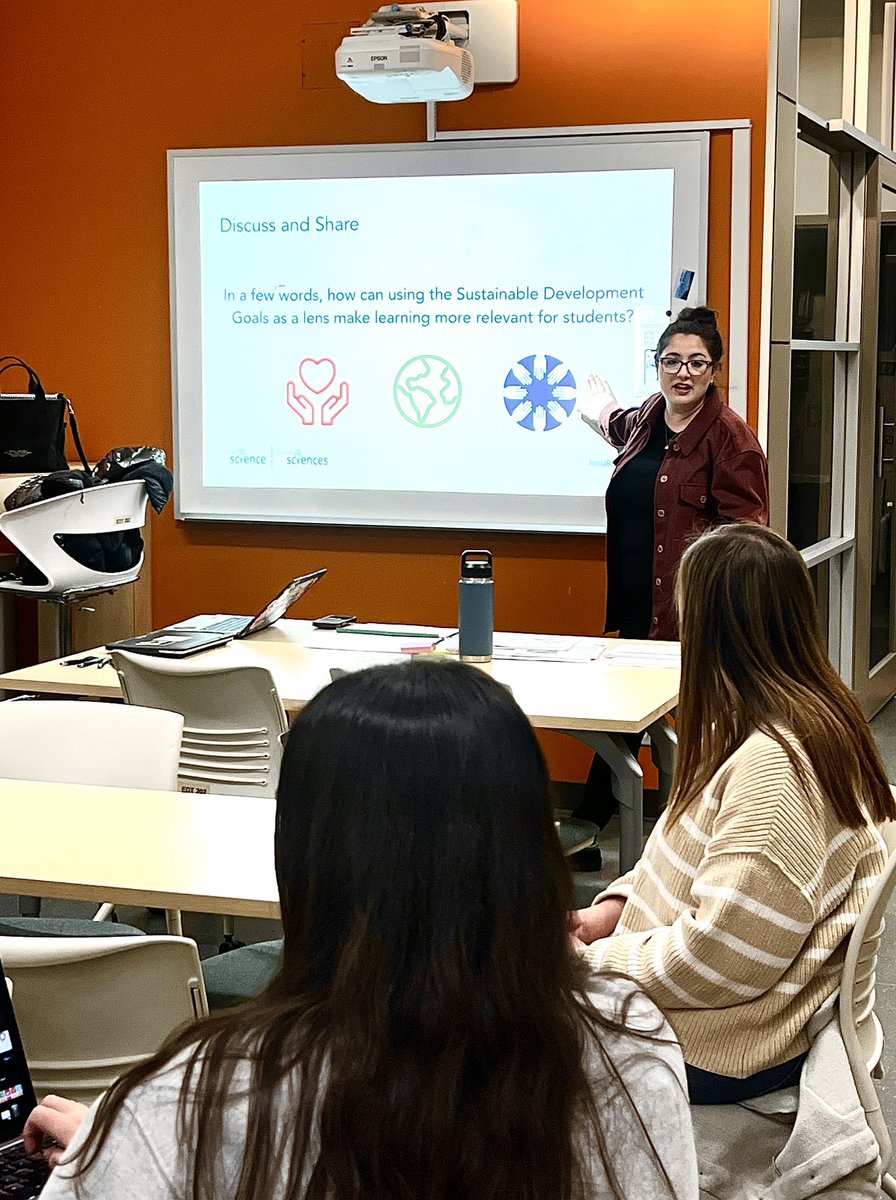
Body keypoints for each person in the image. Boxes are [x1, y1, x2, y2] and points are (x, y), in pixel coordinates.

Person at [28, 658, 698, 1200]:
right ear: (530, 852)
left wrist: (120, 1154)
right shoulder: (629, 1049)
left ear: (302, 854)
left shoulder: (193, 1101)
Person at [572, 523, 896, 1104]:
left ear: (710, 631)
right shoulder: (789, 714)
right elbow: (681, 856)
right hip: (727, 1009)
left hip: (719, 1038)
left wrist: (596, 961)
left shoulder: (773, 769)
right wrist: (614, 911)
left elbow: (721, 959)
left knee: (483, 1019)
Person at [576, 306, 770, 831]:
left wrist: (717, 609)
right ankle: (593, 827)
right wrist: (601, 414)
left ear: (714, 371)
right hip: (638, 599)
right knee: (625, 713)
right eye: (671, 360)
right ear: (658, 364)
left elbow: (747, 536)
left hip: (692, 609)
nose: (682, 373)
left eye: (697, 363)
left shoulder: (731, 439)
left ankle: (685, 833)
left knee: (695, 728)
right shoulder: (648, 417)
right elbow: (624, 433)